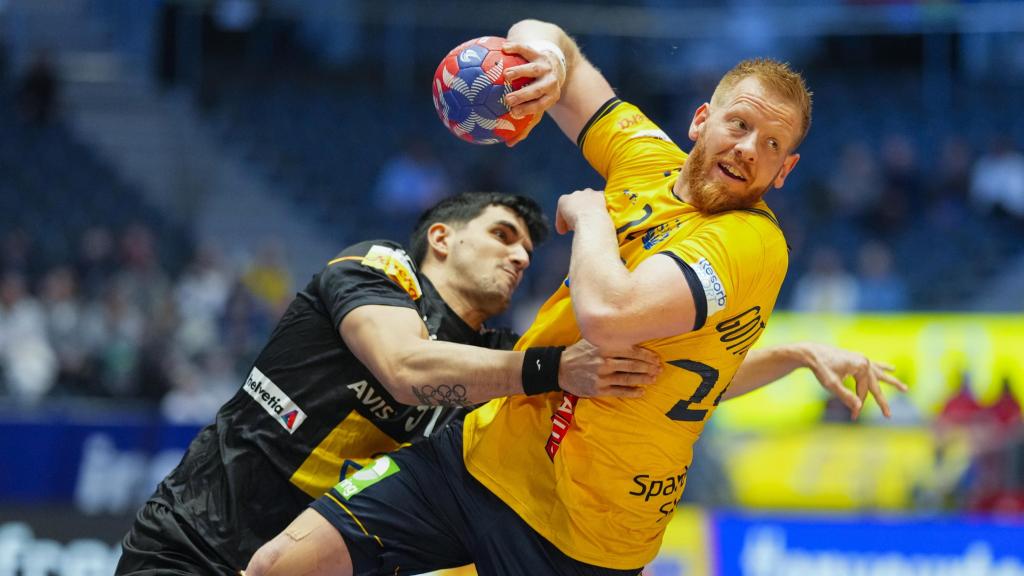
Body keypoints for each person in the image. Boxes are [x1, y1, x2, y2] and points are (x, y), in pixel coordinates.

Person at [247, 19, 906, 576]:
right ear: (702, 120)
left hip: (586, 535)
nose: (748, 149)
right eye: (739, 124)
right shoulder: (643, 157)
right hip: (485, 456)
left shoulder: (752, 244)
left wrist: (591, 215)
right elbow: (543, 33)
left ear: (785, 170)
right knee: (278, 566)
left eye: (772, 145)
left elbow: (611, 318)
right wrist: (549, 63)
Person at [115, 192, 663, 575]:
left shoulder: (500, 355)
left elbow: (619, 362)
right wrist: (553, 368)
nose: (519, 256)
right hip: (194, 543)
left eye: (527, 250)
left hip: (312, 562)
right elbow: (404, 369)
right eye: (502, 235)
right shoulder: (380, 268)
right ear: (442, 237)